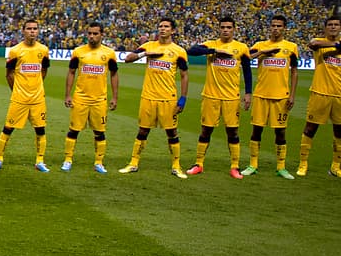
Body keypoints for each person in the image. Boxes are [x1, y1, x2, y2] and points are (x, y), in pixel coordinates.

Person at [119, 18, 189, 178]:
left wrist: (183, 98)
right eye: (160, 26)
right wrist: (145, 54)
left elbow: (184, 75)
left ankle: (176, 166)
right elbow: (127, 58)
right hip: (148, 97)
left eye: (166, 26)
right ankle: (133, 163)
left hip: (168, 98)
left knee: (172, 132)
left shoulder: (179, 51)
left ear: (173, 30)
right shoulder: (149, 46)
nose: (162, 29)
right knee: (143, 130)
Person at [184, 16, 252, 179]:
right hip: (210, 96)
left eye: (229, 27)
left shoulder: (241, 48)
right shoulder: (211, 44)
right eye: (223, 27)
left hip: (231, 97)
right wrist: (215, 51)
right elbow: (191, 50)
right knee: (206, 130)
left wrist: (248, 93)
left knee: (233, 132)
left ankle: (234, 166)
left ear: (234, 29)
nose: (225, 30)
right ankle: (198, 164)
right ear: (219, 28)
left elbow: (247, 71)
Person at [242, 14, 299, 179]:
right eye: (273, 25)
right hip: (261, 95)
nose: (276, 28)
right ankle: (253, 165)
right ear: (270, 27)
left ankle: (281, 167)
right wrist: (263, 52)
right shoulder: (261, 45)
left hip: (281, 96)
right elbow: (246, 58)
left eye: (279, 26)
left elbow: (294, 72)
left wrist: (293, 95)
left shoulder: (291, 47)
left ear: (284, 28)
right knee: (256, 130)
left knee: (280, 132)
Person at [0, 20, 51, 172]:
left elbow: (44, 70)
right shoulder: (15, 51)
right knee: (8, 128)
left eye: (35, 29)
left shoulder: (43, 50)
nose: (32, 31)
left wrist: (37, 85)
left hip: (37, 98)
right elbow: (9, 74)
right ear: (23, 31)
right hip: (19, 98)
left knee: (40, 129)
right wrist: (16, 89)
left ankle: (40, 160)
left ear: (38, 31)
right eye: (29, 29)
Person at [61, 22, 118, 173]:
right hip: (80, 98)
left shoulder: (109, 53)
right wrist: (67, 94)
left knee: (99, 132)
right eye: (90, 33)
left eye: (95, 33)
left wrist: (115, 97)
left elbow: (114, 74)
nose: (92, 36)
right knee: (74, 130)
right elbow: (71, 72)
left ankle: (98, 162)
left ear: (101, 35)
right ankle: (68, 159)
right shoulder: (78, 52)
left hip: (100, 99)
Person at [298, 14, 341, 177]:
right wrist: (336, 45)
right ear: (325, 27)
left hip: (339, 95)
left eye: (336, 24)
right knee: (310, 128)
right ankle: (303, 164)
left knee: (339, 131)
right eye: (330, 24)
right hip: (320, 92)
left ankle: (336, 167)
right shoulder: (320, 42)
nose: (333, 27)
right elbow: (312, 44)